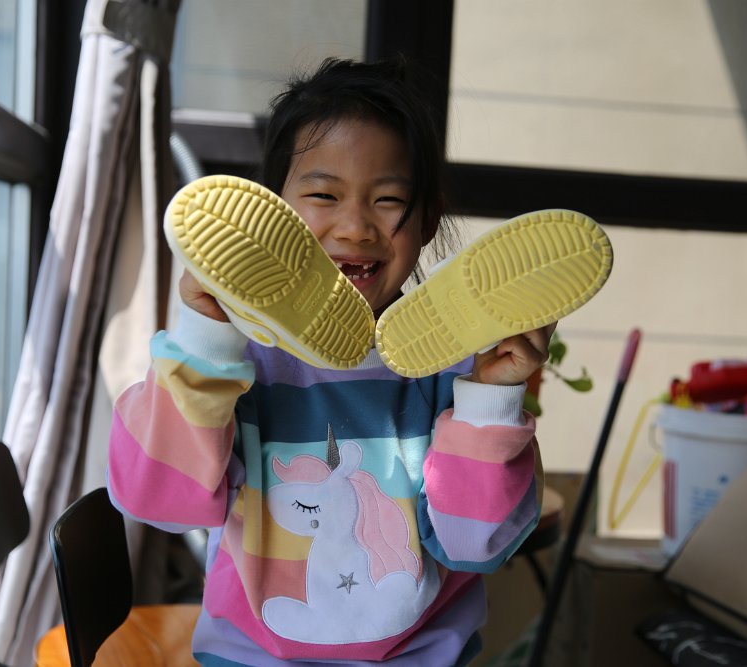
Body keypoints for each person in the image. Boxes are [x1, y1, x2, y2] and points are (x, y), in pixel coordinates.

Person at [108, 57, 611, 666]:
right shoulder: (241, 365)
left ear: (427, 221)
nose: (355, 226)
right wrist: (206, 340)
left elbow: (476, 545)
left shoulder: (458, 373)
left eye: (389, 200)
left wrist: (492, 396)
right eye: (323, 194)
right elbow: (159, 500)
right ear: (273, 212)